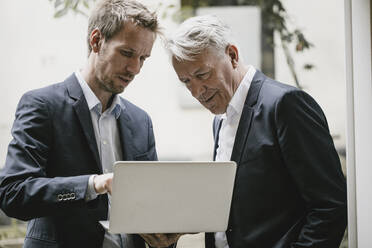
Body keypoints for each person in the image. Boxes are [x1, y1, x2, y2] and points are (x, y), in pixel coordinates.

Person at [0, 0, 180, 247]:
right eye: (127, 53)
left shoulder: (141, 122)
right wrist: (95, 184)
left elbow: (148, 203)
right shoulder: (42, 105)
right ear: (96, 41)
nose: (135, 68)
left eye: (143, 58)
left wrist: (164, 234)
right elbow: (14, 193)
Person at [166, 15, 347, 248]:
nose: (196, 91)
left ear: (232, 55)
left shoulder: (285, 104)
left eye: (202, 75)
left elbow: (330, 205)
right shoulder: (219, 121)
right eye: (186, 81)